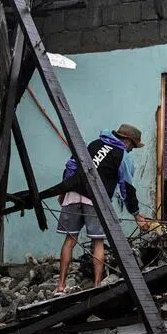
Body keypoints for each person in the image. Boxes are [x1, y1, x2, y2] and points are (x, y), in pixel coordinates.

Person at [54, 124, 150, 293]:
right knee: (98, 242)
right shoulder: (123, 156)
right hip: (95, 200)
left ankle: (60, 286)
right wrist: (136, 214)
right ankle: (97, 286)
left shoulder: (94, 144)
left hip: (73, 194)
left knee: (70, 241)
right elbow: (127, 188)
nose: (132, 150)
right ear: (127, 141)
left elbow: (71, 166)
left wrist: (64, 190)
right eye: (133, 146)